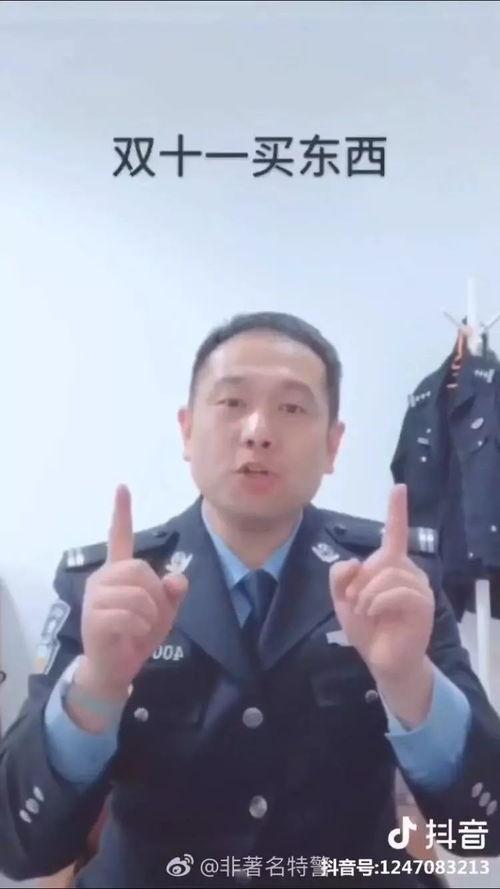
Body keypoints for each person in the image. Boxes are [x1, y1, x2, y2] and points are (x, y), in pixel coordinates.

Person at [1, 311, 500, 889]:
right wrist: (96, 688)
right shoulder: (110, 586)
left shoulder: (391, 581)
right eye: (232, 402)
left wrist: (410, 683)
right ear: (187, 431)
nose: (258, 430)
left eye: (292, 408)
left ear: (333, 445)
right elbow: (19, 847)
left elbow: (485, 827)